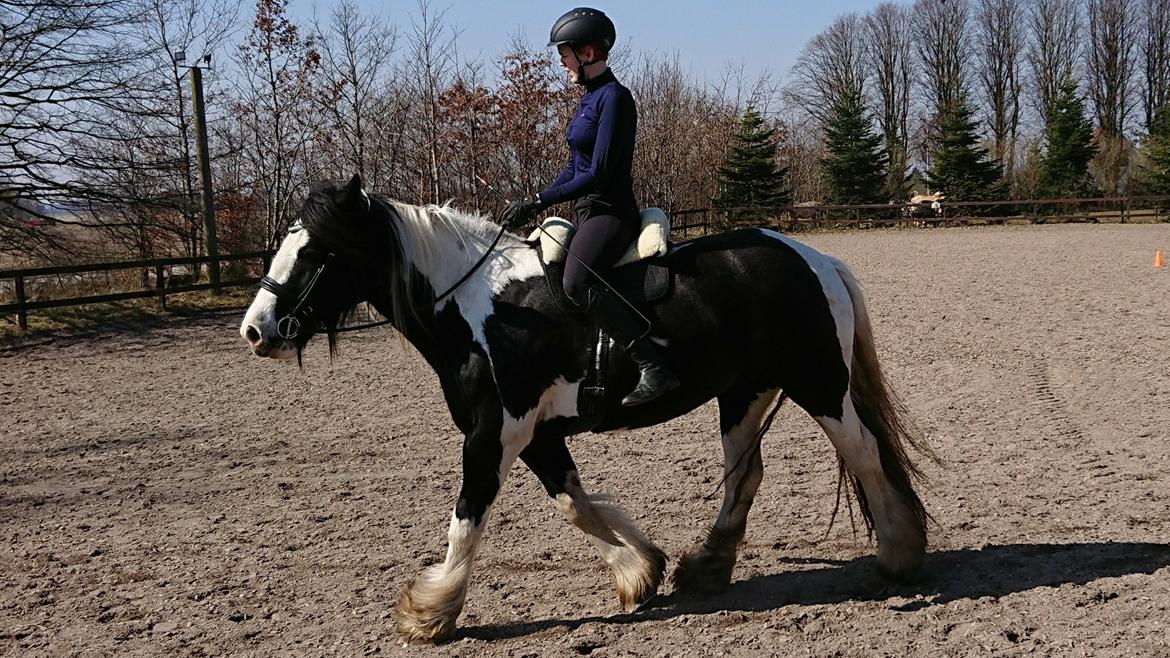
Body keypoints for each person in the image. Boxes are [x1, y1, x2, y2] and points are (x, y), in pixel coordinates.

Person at [499, 7, 679, 408]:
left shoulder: (614, 100)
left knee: (575, 283)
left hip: (610, 212)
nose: (562, 64)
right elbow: (574, 167)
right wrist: (534, 200)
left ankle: (652, 364)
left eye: (565, 55)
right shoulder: (588, 99)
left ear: (589, 53)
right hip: (583, 210)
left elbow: (597, 173)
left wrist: (541, 201)